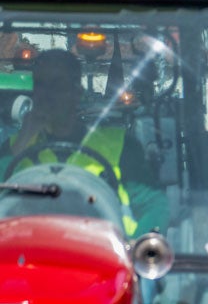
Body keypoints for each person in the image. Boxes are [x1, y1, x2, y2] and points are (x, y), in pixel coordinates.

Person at [0, 48, 164, 236]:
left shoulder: (121, 146)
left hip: (102, 257)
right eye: (40, 85)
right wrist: (24, 138)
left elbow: (154, 204)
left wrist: (136, 251)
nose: (46, 94)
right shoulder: (13, 148)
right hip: (27, 256)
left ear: (77, 92)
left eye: (57, 85)